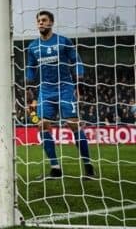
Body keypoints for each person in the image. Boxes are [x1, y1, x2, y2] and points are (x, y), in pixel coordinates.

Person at [26, 10, 94, 179]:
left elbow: (76, 60)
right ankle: (55, 168)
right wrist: (27, 86)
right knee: (42, 125)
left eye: (44, 20)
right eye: (38, 21)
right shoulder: (33, 47)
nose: (41, 23)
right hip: (45, 90)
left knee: (73, 124)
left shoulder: (63, 42)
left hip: (65, 87)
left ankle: (88, 166)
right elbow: (30, 68)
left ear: (51, 23)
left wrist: (79, 75)